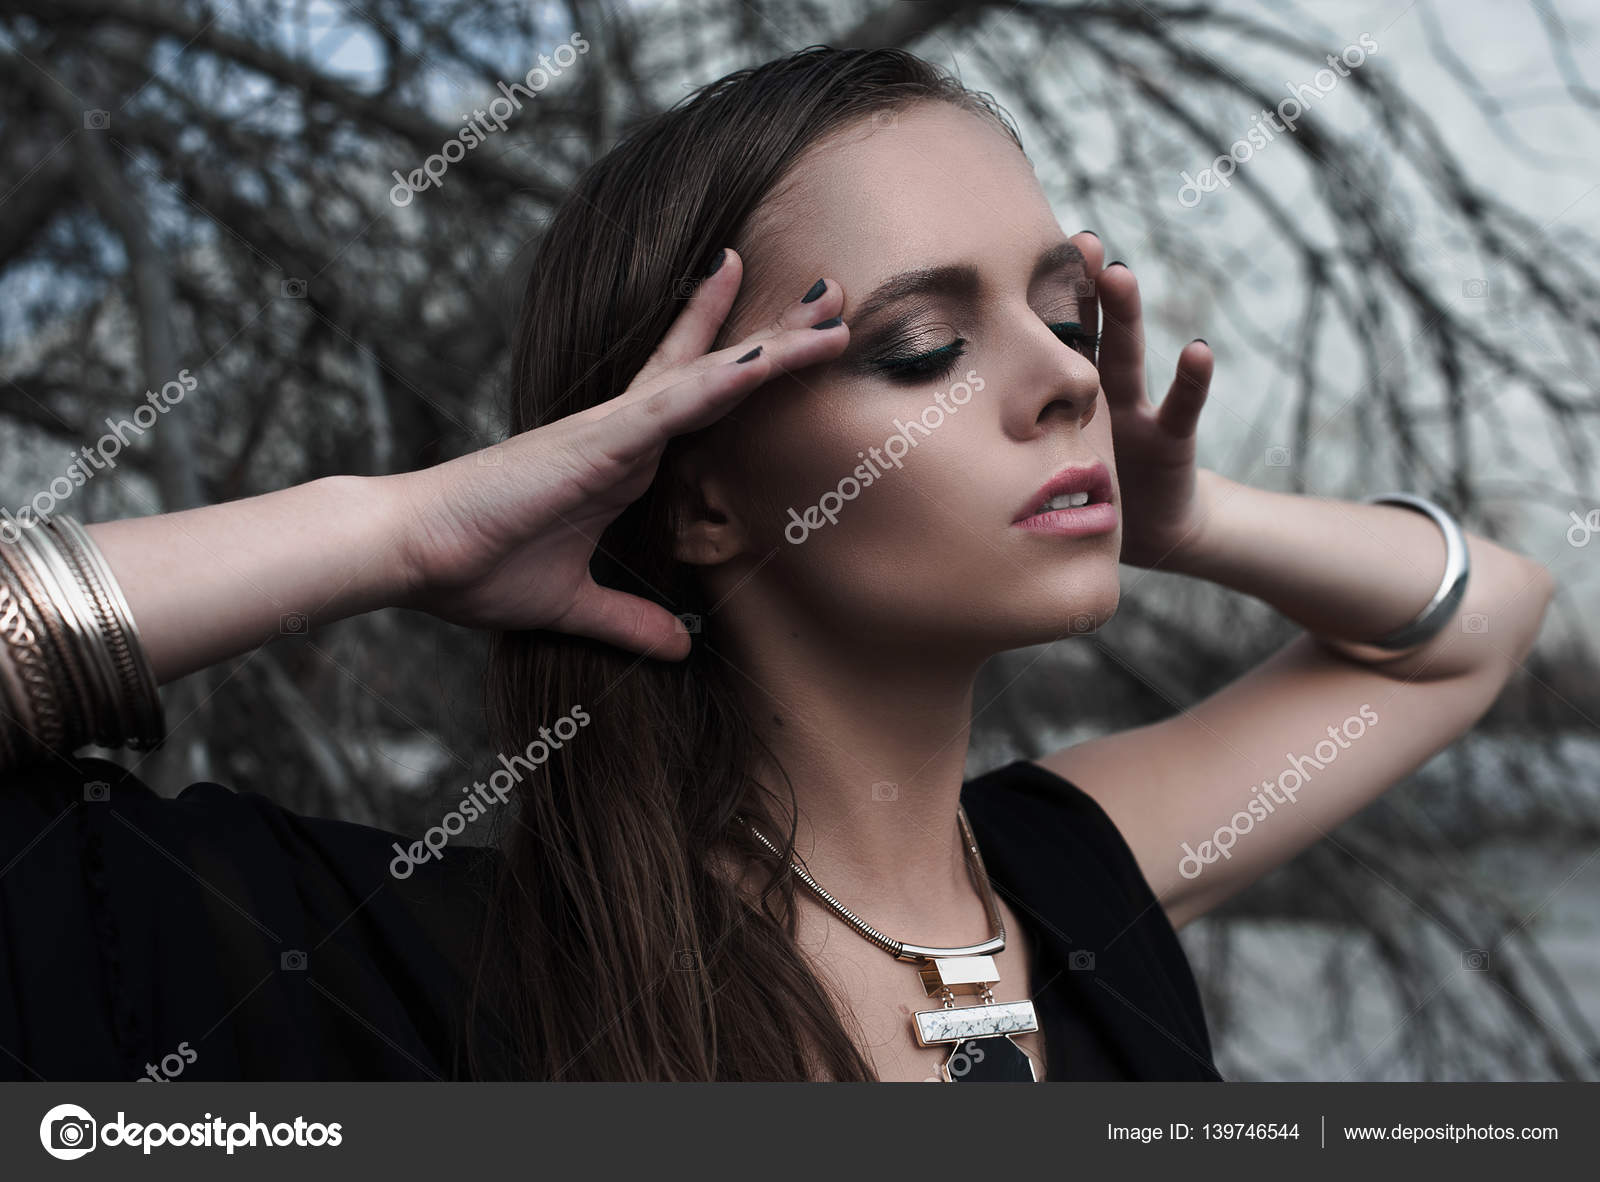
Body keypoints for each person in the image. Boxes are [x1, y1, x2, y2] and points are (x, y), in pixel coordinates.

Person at [0, 46, 1552, 1083]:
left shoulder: (1076, 880)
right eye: (926, 345)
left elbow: (1479, 619)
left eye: (1065, 319)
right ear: (700, 500)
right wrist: (402, 527)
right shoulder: (394, 976)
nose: (1069, 378)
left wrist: (1186, 519)